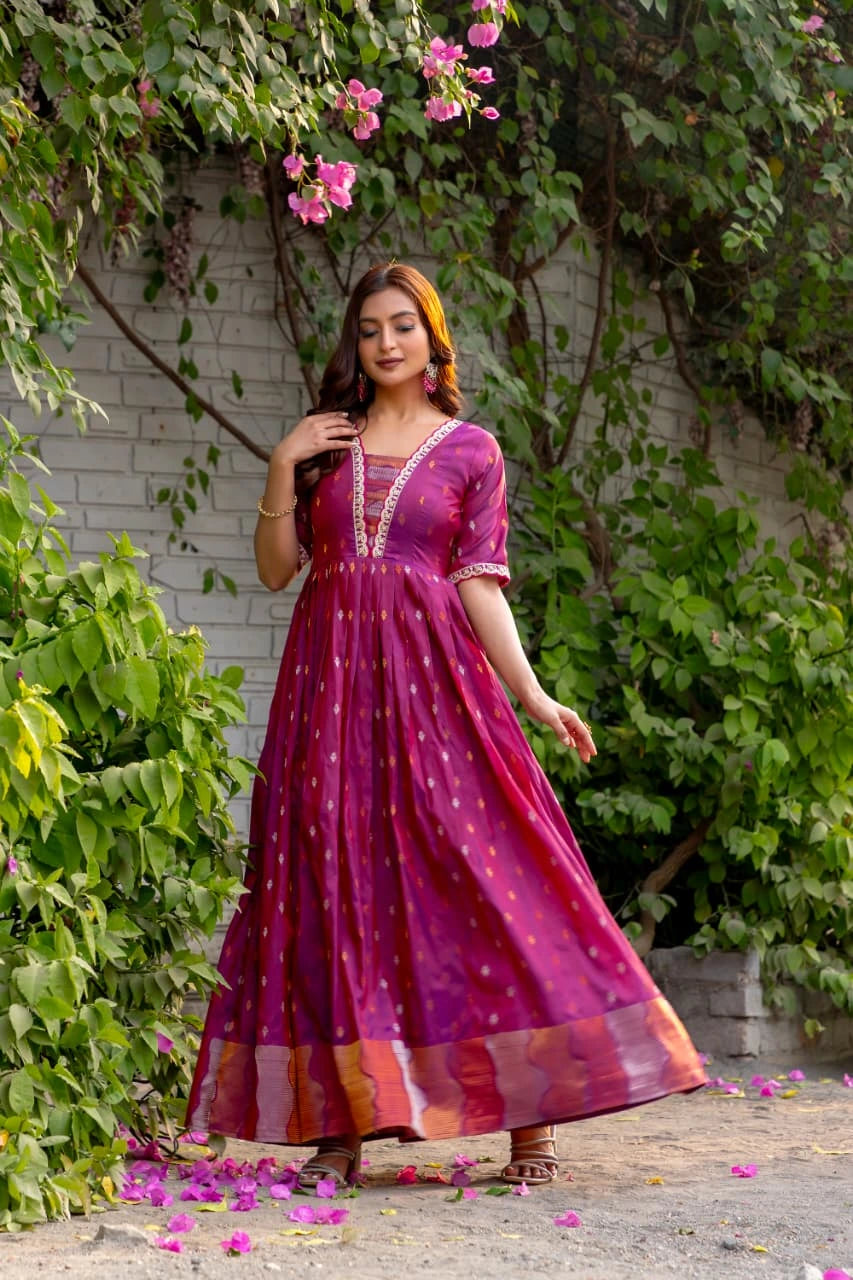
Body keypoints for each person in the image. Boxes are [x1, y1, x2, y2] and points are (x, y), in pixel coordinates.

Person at [186, 262, 707, 1188]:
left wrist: (535, 697)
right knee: (331, 885)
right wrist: (279, 462)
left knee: (485, 879)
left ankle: (531, 1125)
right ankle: (338, 1127)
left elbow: (476, 584)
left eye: (403, 326)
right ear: (355, 342)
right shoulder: (323, 446)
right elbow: (277, 572)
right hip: (328, 697)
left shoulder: (473, 451)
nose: (385, 343)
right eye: (370, 329)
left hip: (436, 698)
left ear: (432, 339)